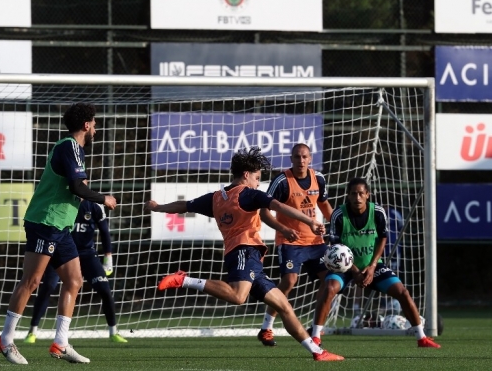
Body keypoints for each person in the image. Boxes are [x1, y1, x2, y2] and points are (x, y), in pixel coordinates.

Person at [145, 147, 344, 362]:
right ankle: (184, 280)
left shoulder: (216, 198)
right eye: (257, 178)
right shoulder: (249, 194)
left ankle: (317, 352)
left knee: (284, 306)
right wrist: (310, 221)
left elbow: (184, 205)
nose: (258, 183)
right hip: (245, 251)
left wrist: (158, 207)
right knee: (238, 296)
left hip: (250, 259)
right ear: (247, 175)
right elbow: (278, 205)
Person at [0, 103, 118, 365]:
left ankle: (61, 342)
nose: (96, 128)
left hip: (61, 227)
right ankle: (5, 339)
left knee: (74, 280)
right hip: (46, 221)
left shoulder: (76, 150)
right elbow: (76, 187)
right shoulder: (69, 146)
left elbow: (76, 186)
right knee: (32, 281)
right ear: (86, 124)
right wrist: (103, 198)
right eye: (94, 123)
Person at [310, 177, 440, 348]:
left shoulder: (378, 212)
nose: (357, 197)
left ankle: (421, 337)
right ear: (348, 196)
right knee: (329, 289)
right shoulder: (338, 215)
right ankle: (315, 337)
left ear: (367, 195)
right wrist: (354, 270)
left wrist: (372, 267)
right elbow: (335, 246)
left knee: (402, 292)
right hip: (344, 266)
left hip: (373, 265)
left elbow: (382, 239)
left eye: (361, 193)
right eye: (353, 194)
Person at [257, 143, 333, 347]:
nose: (301, 160)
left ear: (310, 159)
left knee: (330, 282)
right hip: (290, 242)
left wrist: (335, 225)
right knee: (289, 281)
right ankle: (266, 327)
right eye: (297, 157)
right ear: (291, 159)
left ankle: (316, 331)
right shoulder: (282, 181)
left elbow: (324, 204)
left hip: (315, 242)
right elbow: (264, 212)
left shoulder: (319, 178)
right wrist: (283, 229)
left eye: (304, 156)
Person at [23, 199, 128, 344]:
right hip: (62, 254)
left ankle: (113, 331)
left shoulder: (94, 205)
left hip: (87, 254)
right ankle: (32, 331)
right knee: (48, 286)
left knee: (104, 289)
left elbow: (104, 231)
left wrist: (108, 257)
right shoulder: (63, 203)